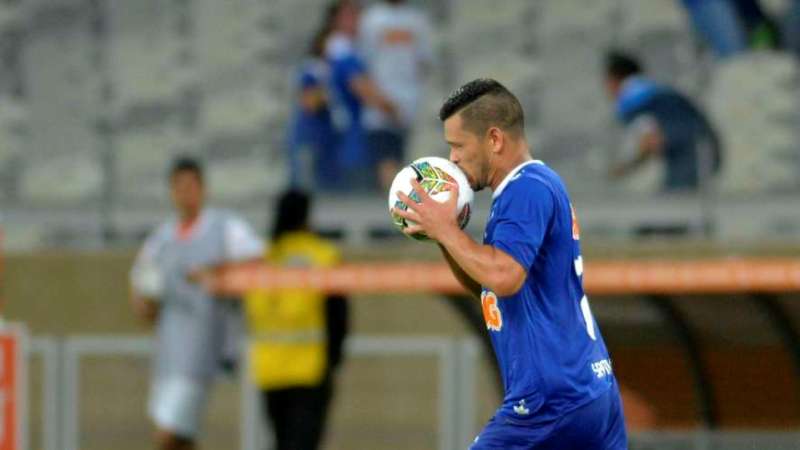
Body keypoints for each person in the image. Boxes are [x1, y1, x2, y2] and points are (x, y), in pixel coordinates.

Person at [393, 78, 627, 449]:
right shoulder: (534, 185)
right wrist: (445, 234)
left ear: (495, 140)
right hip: (589, 388)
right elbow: (488, 283)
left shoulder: (525, 188)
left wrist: (446, 230)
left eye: (457, 146)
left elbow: (504, 277)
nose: (452, 158)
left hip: (549, 400)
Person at [129, 156, 264, 450]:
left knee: (167, 434)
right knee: (179, 437)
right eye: (179, 187)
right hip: (169, 352)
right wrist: (143, 301)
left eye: (191, 186)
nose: (185, 194)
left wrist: (217, 272)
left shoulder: (224, 227)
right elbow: (141, 279)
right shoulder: (162, 239)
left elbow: (257, 260)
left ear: (203, 189)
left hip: (201, 349)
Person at [243, 189, 348, 450]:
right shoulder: (323, 256)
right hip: (309, 370)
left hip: (270, 371)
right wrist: (333, 361)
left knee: (282, 443)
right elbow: (338, 317)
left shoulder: (262, 258)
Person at [604, 51, 722, 192]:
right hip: (705, 148)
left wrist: (626, 167)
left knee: (673, 202)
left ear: (614, 80)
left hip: (688, 156)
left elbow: (651, 141)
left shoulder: (632, 98)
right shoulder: (657, 90)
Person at [359, 0, 434, 190]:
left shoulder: (417, 19)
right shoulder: (371, 18)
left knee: (408, 161)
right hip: (380, 102)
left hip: (410, 101)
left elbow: (424, 61)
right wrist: (379, 98)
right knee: (386, 157)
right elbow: (363, 63)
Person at [325, 0, 399, 191]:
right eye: (351, 15)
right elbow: (360, 86)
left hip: (356, 139)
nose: (357, 21)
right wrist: (392, 109)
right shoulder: (340, 48)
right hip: (350, 142)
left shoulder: (355, 48)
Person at [285, 9, 340, 191]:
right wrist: (327, 97)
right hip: (309, 139)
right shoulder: (312, 70)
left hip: (325, 140)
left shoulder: (330, 69)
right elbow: (309, 102)